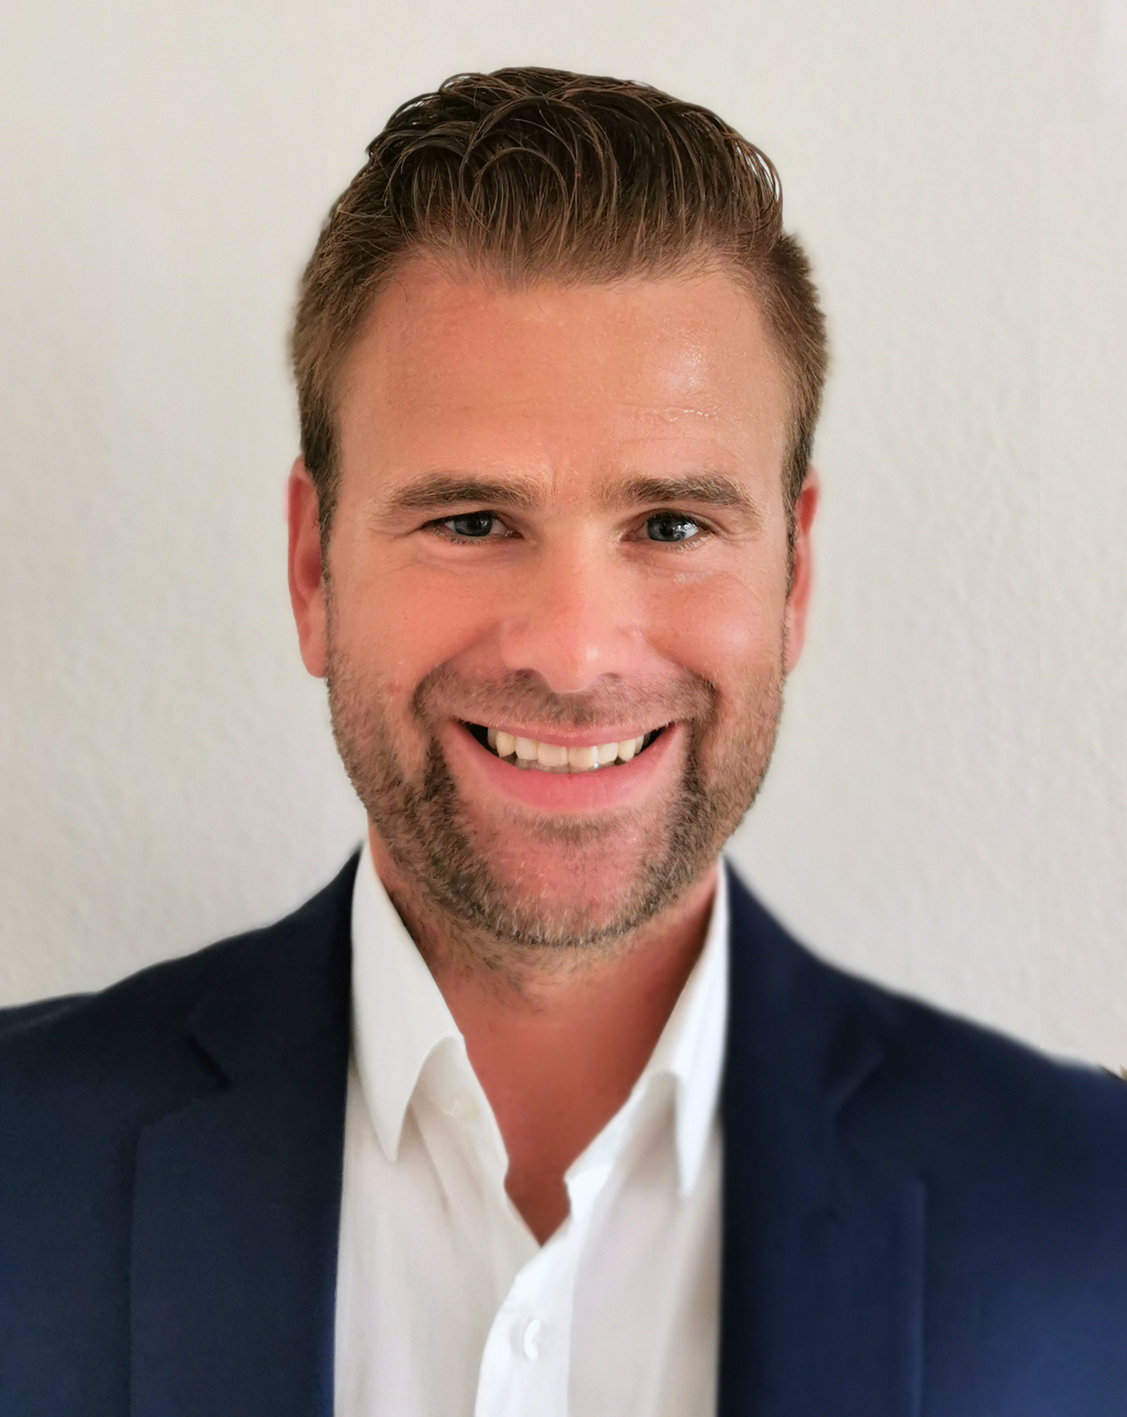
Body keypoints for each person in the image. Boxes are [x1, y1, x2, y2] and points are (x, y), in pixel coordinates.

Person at [2, 66, 1125, 1417]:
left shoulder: (1089, 1210)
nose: (576, 652)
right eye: (472, 521)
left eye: (672, 526)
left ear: (795, 576)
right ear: (312, 568)